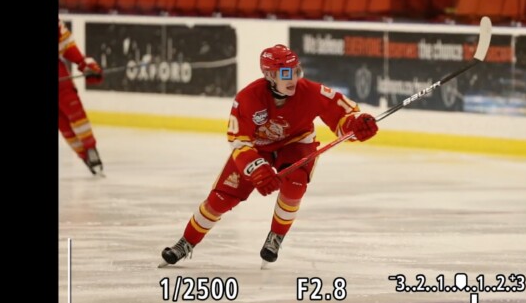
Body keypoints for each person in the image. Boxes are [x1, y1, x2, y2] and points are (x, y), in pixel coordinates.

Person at [161, 44, 379, 266]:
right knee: (219, 200)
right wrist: (256, 168)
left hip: (296, 143)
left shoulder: (312, 92)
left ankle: (276, 236)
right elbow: (239, 141)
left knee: (295, 184)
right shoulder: (247, 98)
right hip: (258, 149)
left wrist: (356, 125)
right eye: (286, 73)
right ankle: (186, 242)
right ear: (269, 75)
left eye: (297, 71)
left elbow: (343, 118)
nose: (293, 77)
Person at [58, 19, 105, 176]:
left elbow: (67, 45)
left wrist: (84, 64)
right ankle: (85, 155)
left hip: (60, 78)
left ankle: (90, 149)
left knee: (75, 112)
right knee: (63, 124)